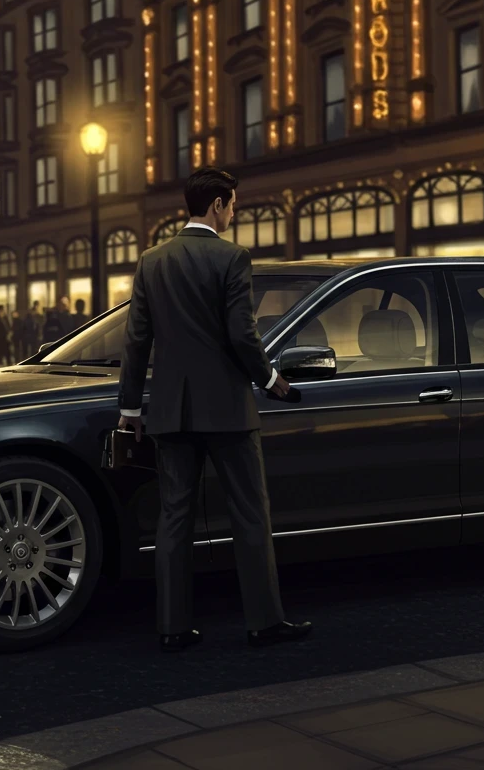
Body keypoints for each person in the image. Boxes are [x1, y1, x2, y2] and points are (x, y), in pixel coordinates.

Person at [118, 165, 311, 653]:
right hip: (227, 408)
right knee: (250, 513)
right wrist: (271, 379)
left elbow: (136, 340)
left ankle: (172, 628)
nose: (234, 215)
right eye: (233, 206)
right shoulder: (232, 257)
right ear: (218, 204)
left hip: (170, 410)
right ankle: (264, 622)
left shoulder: (152, 261)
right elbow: (242, 334)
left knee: (174, 517)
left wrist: (130, 408)